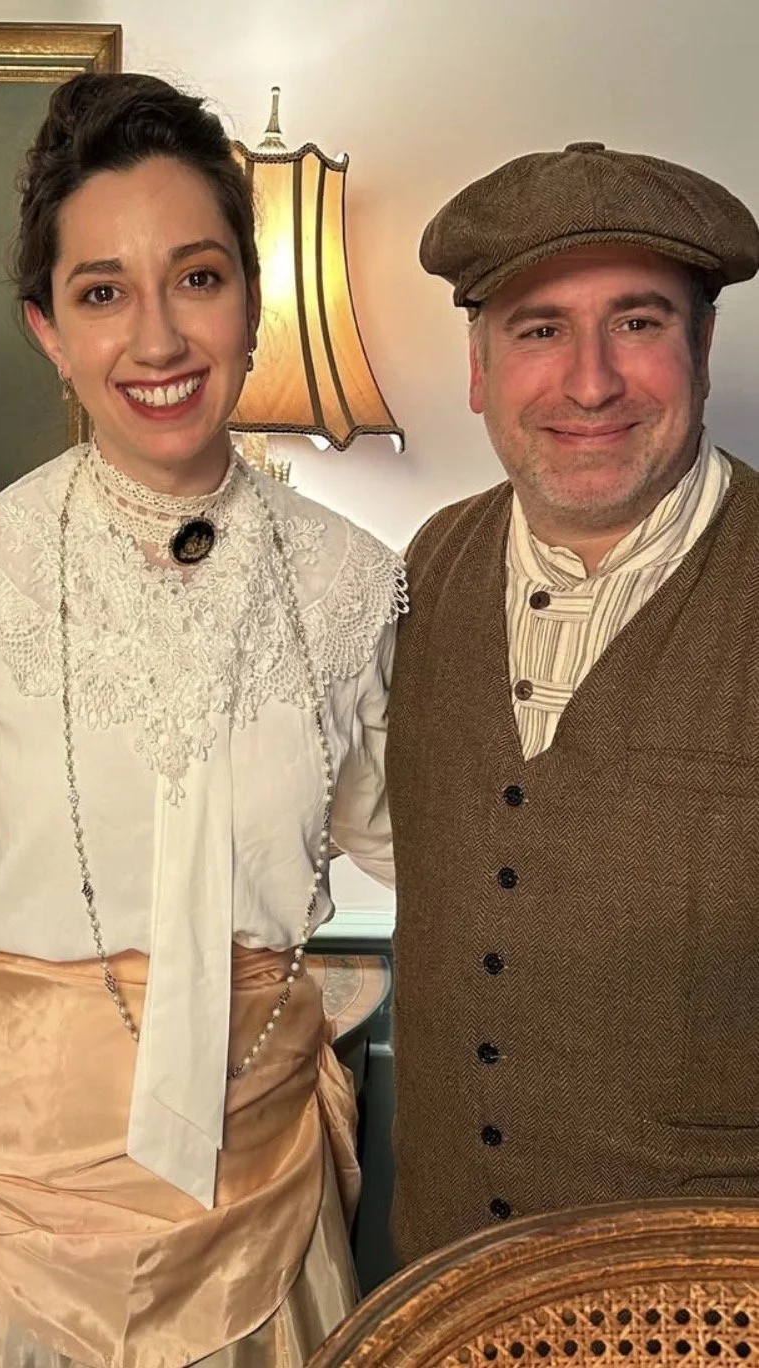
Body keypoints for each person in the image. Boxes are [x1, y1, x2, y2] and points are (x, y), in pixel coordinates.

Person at [0, 72, 406, 1368]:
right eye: (102, 292)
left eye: (195, 277)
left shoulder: (357, 582)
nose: (156, 338)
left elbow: (393, 833)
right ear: (46, 326)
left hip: (250, 1191)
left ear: (249, 302)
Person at [387, 140, 759, 1264]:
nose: (589, 381)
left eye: (638, 323)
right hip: (447, 1292)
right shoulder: (427, 566)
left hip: (705, 1308)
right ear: (478, 367)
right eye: (540, 328)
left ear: (701, 349)